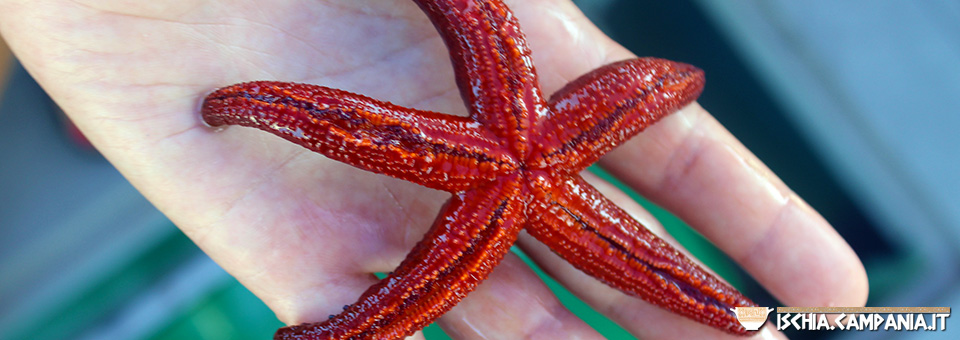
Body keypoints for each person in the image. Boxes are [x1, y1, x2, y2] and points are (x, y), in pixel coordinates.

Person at [0, 0, 867, 338]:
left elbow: (656, 82)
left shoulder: (522, 149)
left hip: (513, 169)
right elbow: (652, 80)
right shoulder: (547, 132)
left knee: (688, 287)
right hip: (520, 166)